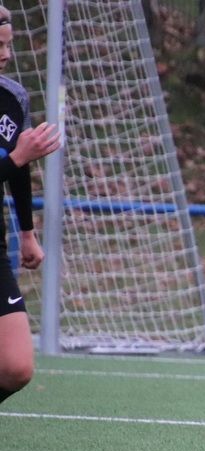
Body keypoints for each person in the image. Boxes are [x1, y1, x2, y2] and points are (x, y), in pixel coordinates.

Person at [0, 8, 63, 406]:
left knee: (17, 367)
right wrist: (17, 159)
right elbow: (16, 160)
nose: (5, 53)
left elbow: (16, 166)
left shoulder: (11, 97)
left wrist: (27, 233)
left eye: (8, 43)